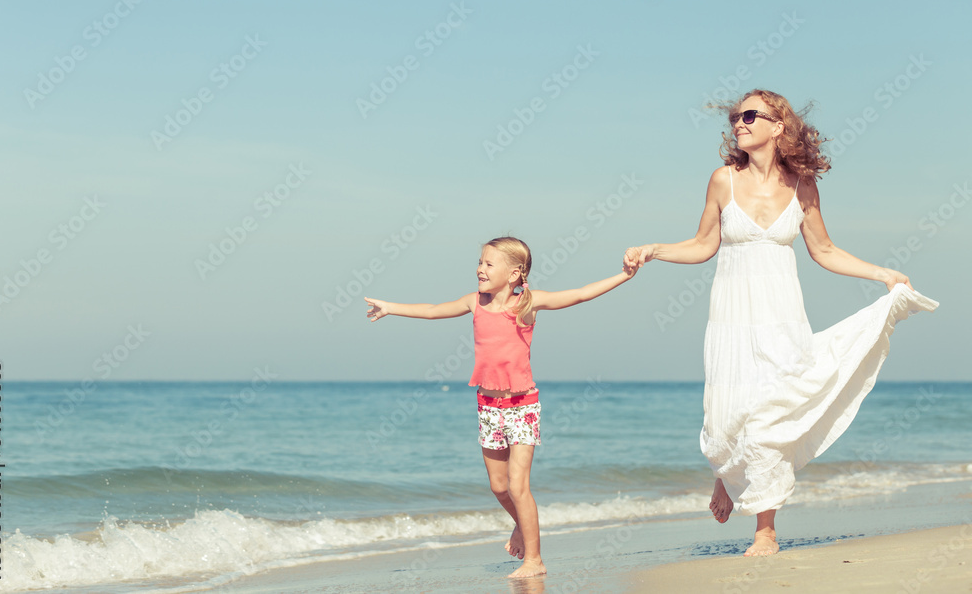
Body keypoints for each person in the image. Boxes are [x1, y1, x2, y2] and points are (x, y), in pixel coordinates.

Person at [624, 90, 937, 557]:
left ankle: (765, 530)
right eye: (735, 116)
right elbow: (703, 244)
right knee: (727, 412)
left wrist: (883, 273)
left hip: (781, 313)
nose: (739, 122)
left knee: (771, 411)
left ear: (778, 126)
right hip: (731, 315)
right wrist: (656, 250)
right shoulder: (722, 181)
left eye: (750, 115)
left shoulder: (802, 186)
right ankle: (726, 477)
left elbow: (825, 250)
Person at [365, 236, 635, 578]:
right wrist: (391, 307)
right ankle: (521, 526)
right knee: (499, 487)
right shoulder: (474, 303)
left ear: (514, 274)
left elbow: (580, 294)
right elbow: (434, 311)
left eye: (489, 263)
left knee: (519, 485)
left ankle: (534, 561)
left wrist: (623, 275)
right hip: (488, 407)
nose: (480, 268)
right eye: (480, 262)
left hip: (522, 405)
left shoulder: (527, 305)